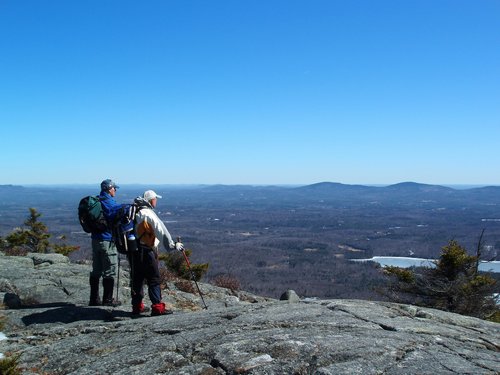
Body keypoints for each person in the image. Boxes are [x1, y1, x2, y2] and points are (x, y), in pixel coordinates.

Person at [129, 189, 184, 316]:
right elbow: (161, 230)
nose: (156, 201)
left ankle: (137, 307)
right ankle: (157, 308)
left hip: (134, 251)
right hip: (147, 251)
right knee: (153, 279)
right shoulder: (148, 214)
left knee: (137, 279)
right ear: (150, 200)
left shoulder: (135, 211)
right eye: (155, 199)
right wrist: (173, 245)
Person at [89, 179, 122, 307]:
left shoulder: (97, 200)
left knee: (96, 270)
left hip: (95, 239)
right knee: (109, 270)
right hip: (107, 240)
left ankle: (94, 299)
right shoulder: (108, 201)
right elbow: (117, 212)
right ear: (109, 189)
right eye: (114, 188)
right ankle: (108, 300)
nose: (115, 190)